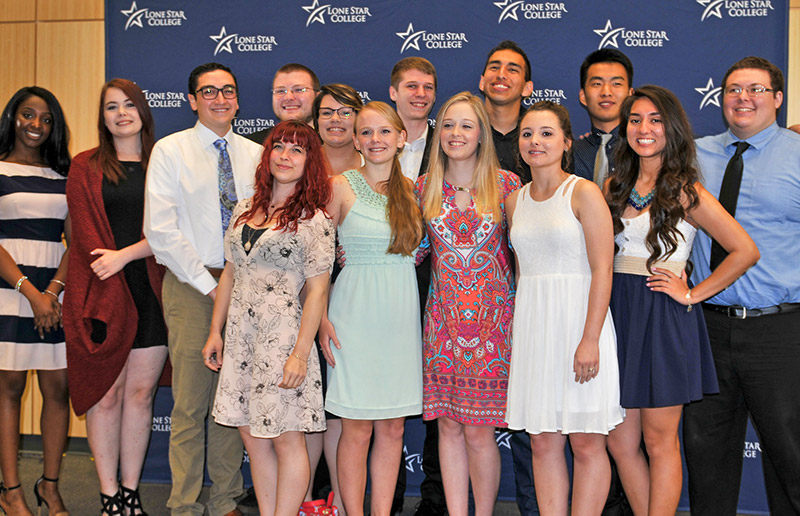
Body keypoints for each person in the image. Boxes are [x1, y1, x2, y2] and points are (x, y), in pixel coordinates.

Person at [605, 85, 758, 515]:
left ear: (670, 129)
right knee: (619, 440)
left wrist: (691, 293)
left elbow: (744, 250)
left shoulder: (685, 190)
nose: (644, 129)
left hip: (662, 314)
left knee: (658, 439)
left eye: (654, 120)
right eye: (635, 120)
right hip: (618, 314)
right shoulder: (614, 185)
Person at [144, 62, 263, 516]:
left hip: (247, 286)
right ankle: (185, 504)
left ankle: (226, 499)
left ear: (237, 98)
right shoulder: (170, 150)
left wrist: (237, 285)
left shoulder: (256, 154)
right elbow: (161, 231)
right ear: (192, 100)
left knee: (232, 401)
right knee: (192, 403)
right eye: (208, 92)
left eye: (227, 90)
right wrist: (211, 287)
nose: (219, 99)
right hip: (193, 286)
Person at [684, 56, 800, 515]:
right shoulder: (694, 153)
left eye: (755, 89)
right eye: (733, 89)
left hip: (779, 331)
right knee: (705, 454)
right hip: (706, 328)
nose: (743, 98)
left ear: (777, 98)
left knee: (790, 454)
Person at [202, 120, 334, 516]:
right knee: (254, 440)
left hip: (283, 339)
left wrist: (299, 354)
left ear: (310, 161)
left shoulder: (316, 219)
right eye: (279, 147)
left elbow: (317, 292)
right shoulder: (245, 208)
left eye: (297, 150)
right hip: (242, 336)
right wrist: (215, 331)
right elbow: (229, 272)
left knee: (286, 439)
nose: (286, 156)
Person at [505, 101, 623, 516]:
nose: (535, 141)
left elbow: (602, 268)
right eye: (527, 133)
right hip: (536, 328)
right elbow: (523, 274)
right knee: (542, 440)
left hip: (579, 325)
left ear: (566, 142)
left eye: (546, 133)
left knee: (588, 440)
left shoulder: (584, 192)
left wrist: (589, 339)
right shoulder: (514, 201)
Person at [62, 78, 168, 515]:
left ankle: (130, 491)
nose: (121, 113)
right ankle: (108, 496)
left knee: (140, 396)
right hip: (102, 289)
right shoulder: (85, 165)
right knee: (106, 394)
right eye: (111, 107)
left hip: (155, 290)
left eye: (129, 105)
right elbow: (83, 232)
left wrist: (128, 256)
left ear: (143, 111)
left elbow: (173, 231)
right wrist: (114, 264)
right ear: (102, 117)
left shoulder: (165, 161)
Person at [416, 92, 520, 516]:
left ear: (482, 134)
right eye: (448, 125)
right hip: (442, 326)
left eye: (466, 125)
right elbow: (411, 251)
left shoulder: (509, 184)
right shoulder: (422, 189)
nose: (456, 133)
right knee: (448, 427)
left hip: (494, 329)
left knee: (479, 432)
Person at [319, 101, 424, 516]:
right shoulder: (338, 185)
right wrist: (321, 319)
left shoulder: (416, 191)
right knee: (357, 427)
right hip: (352, 316)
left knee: (393, 427)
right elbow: (317, 261)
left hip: (399, 316)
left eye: (384, 132)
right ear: (356, 139)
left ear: (402, 139)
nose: (375, 140)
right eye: (366, 132)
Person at [0, 86, 71, 516]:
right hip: (9, 290)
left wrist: (52, 293)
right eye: (28, 115)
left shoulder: (65, 176)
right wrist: (30, 291)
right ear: (12, 118)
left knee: (57, 388)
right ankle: (10, 490)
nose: (37, 125)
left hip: (54, 293)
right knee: (8, 387)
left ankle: (50, 485)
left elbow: (76, 244)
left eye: (46, 120)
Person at [388, 56, 444, 516]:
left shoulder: (447, 147)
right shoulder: (369, 142)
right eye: (411, 85)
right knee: (379, 402)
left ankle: (434, 499)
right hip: (377, 289)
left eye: (428, 87)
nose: (420, 94)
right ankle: (382, 499)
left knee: (437, 401)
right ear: (394, 92)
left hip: (435, 289)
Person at [572, 49, 634, 185]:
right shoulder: (570, 153)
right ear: (583, 96)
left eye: (616, 84)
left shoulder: (642, 149)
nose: (606, 92)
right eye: (597, 84)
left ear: (630, 94)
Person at [479, 40, 533, 184]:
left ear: (527, 88)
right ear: (482, 82)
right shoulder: (462, 133)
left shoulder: (541, 137)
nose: (501, 74)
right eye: (495, 67)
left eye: (512, 70)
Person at [247, 64, 320, 146]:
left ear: (317, 97)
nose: (288, 97)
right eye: (281, 91)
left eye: (298, 90)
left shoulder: (332, 145)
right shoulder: (251, 146)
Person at [313, 83, 363, 174]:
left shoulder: (374, 169)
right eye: (327, 113)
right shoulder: (299, 167)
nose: (335, 119)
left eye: (345, 113)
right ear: (317, 121)